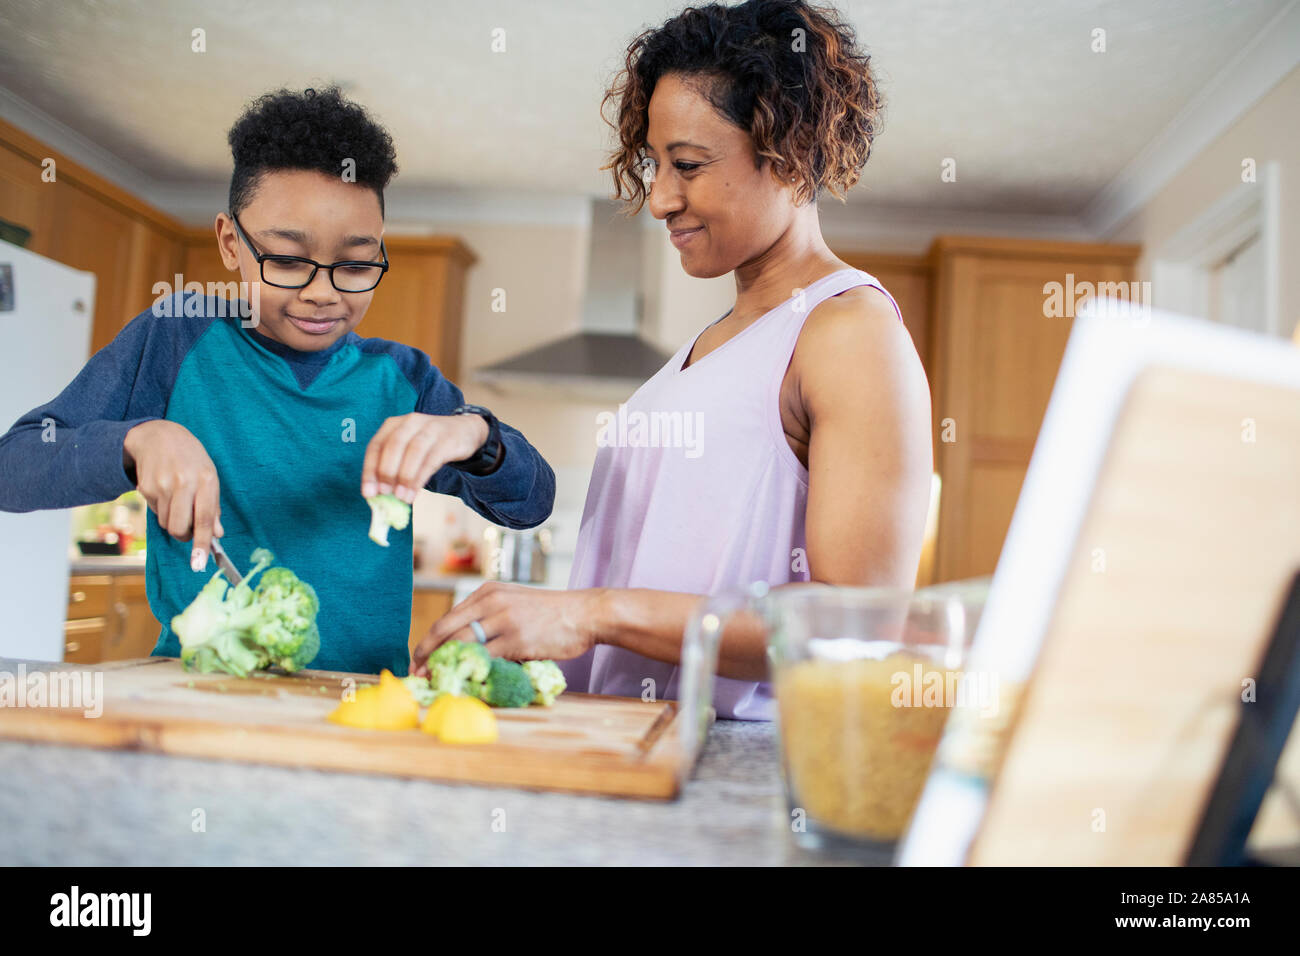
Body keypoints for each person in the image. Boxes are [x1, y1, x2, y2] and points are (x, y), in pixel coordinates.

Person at [415, 0, 932, 719]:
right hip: (628, 745)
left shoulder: (849, 330)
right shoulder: (713, 346)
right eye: (655, 164)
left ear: (792, 151)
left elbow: (855, 621)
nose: (658, 198)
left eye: (687, 164)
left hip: (731, 771)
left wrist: (593, 613)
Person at [0, 86, 555, 675]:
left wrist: (475, 435)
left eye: (356, 264)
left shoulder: (403, 379)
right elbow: (14, 466)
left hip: (363, 698)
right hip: (200, 692)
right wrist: (138, 440)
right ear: (230, 243)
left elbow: (532, 503)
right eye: (287, 260)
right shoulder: (178, 337)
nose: (323, 292)